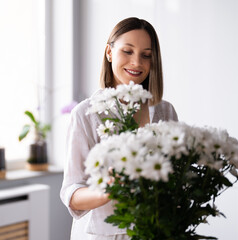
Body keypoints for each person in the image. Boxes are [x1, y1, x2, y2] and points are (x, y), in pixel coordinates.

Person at [60, 17, 178, 240]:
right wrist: (107, 189)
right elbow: (71, 193)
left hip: (154, 230)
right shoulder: (86, 114)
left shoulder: (166, 112)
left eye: (146, 55)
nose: (137, 63)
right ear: (109, 52)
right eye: (128, 51)